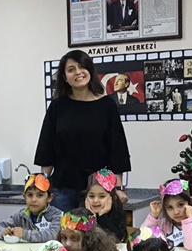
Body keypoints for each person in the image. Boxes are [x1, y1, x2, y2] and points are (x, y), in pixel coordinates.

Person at [35, 50, 131, 212]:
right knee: (63, 228)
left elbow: (117, 148)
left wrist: (119, 188)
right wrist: (41, 186)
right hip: (63, 186)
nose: (78, 72)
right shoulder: (58, 106)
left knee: (97, 229)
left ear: (90, 71)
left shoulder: (107, 106)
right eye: (71, 69)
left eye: (82, 67)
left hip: (98, 188)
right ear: (65, 77)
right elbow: (47, 147)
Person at [144, 179, 192, 250]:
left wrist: (190, 219)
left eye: (180, 205)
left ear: (189, 203)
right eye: (170, 207)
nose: (176, 212)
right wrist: (153, 216)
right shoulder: (163, 224)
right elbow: (145, 239)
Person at [84, 169, 127, 242]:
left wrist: (102, 217)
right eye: (91, 196)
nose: (95, 201)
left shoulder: (118, 213)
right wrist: (91, 218)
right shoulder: (80, 215)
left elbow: (118, 239)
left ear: (111, 198)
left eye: (102, 196)